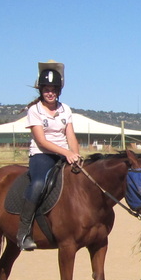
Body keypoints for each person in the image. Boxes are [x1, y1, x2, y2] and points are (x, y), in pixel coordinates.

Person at [18, 62, 82, 251]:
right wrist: (67, 153)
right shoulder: (34, 110)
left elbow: (71, 135)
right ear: (41, 91)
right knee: (38, 183)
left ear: (58, 91)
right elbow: (42, 141)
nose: (50, 93)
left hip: (65, 155)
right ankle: (23, 232)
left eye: (53, 89)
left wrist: (76, 154)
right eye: (46, 89)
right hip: (42, 155)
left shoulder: (65, 109)